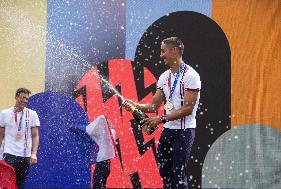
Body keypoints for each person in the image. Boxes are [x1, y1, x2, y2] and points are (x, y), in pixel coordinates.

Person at [123, 37, 201, 189]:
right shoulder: (164, 77)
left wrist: (161, 119)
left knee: (178, 174)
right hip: (168, 131)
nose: (161, 55)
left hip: (184, 132)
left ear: (175, 51)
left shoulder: (192, 75)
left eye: (163, 51)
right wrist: (135, 105)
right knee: (164, 172)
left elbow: (188, 109)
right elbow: (153, 106)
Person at [0, 88, 40, 189]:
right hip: (9, 154)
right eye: (22, 98)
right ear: (16, 97)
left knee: (20, 184)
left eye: (27, 99)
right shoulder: (4, 114)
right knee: (7, 184)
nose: (25, 101)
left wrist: (34, 153)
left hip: (25, 155)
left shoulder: (32, 114)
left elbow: (35, 135)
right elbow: (1, 135)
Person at [72, 115, 116, 189]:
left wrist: (74, 127)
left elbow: (89, 130)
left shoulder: (105, 133)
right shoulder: (111, 133)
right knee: (101, 184)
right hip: (106, 163)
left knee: (97, 185)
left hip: (102, 163)